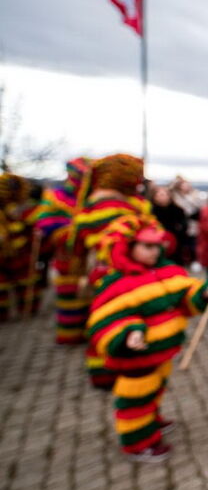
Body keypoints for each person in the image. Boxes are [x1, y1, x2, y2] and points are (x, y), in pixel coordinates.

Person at [85, 215, 208, 462]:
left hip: (161, 354)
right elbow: (104, 321)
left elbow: (184, 295)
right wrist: (130, 333)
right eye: (147, 246)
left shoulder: (167, 271)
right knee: (135, 399)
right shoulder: (116, 283)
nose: (155, 251)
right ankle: (138, 442)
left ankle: (152, 420)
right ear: (127, 247)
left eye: (157, 245)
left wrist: (204, 291)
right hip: (138, 357)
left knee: (155, 389)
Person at [72, 154, 150, 389]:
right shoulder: (118, 208)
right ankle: (116, 370)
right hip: (119, 273)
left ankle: (101, 370)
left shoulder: (89, 206)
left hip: (98, 272)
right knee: (119, 320)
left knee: (101, 320)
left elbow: (78, 244)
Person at [33, 158, 93, 341]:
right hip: (67, 254)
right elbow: (44, 220)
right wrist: (67, 230)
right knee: (69, 292)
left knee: (91, 291)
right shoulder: (56, 196)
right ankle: (70, 332)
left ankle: (89, 329)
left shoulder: (93, 197)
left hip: (89, 253)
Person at [0, 173, 43, 320]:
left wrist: (35, 232)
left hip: (22, 252)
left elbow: (31, 224)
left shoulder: (25, 208)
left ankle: (27, 307)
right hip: (3, 252)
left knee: (27, 279)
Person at [149, 185, 187, 264]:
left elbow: (184, 227)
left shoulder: (178, 211)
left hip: (176, 245)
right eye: (159, 195)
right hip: (157, 242)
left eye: (164, 194)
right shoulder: (151, 212)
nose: (162, 197)